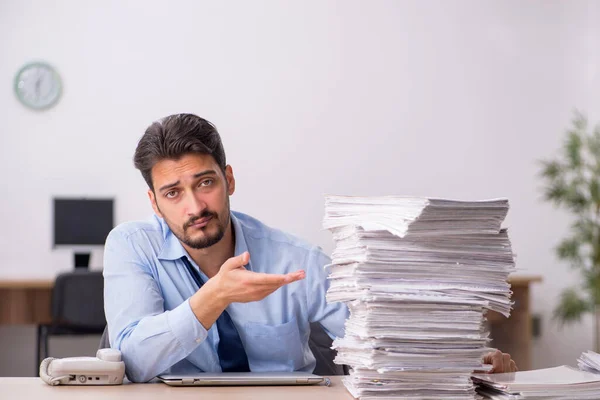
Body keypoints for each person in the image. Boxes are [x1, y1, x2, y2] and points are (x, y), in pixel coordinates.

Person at [103, 113, 517, 382]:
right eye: (173, 193)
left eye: (205, 183)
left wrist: (469, 359)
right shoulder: (130, 247)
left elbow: (376, 339)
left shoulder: (295, 259)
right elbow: (134, 361)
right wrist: (214, 297)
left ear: (228, 179)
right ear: (154, 204)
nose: (195, 207)